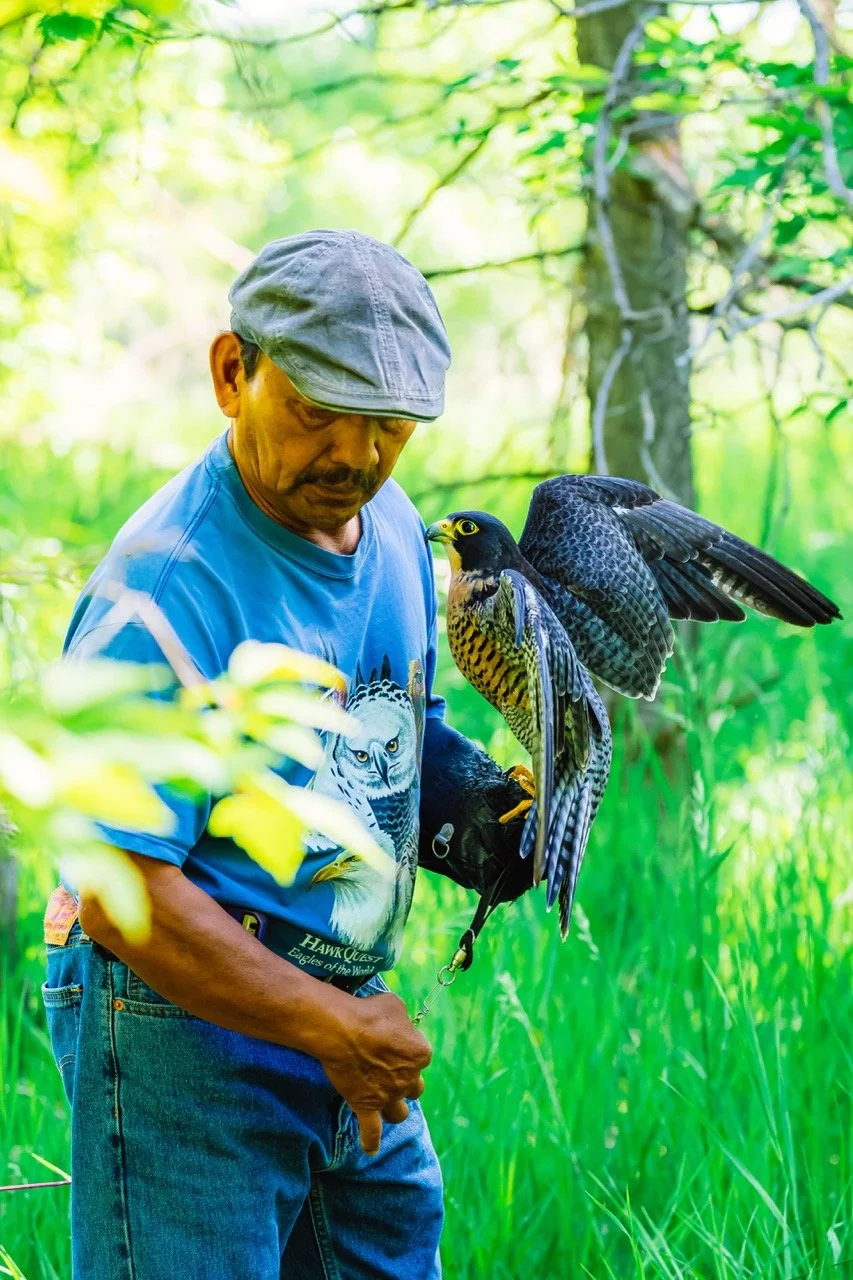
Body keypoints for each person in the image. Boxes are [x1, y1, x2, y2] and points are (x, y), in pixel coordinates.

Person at [41, 229, 531, 1280]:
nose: (353, 452)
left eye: (389, 423)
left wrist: (475, 811)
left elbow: (387, 717)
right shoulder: (167, 592)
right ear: (233, 373)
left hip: (337, 1016)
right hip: (178, 1023)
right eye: (316, 409)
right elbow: (116, 882)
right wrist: (331, 1026)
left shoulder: (391, 526)